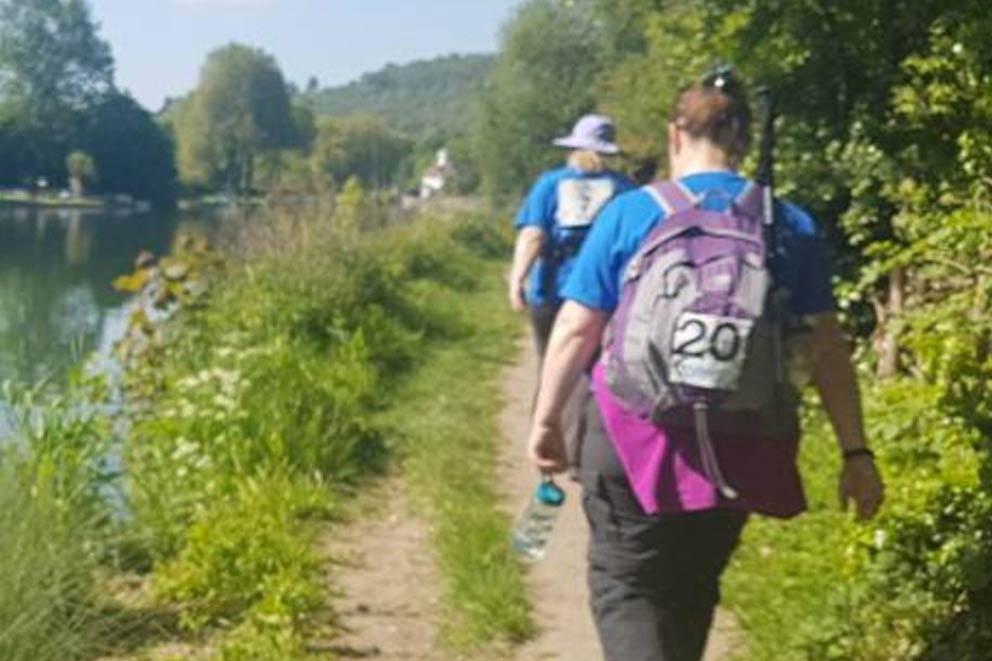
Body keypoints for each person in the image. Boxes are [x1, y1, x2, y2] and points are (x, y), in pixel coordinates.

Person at [526, 70, 885, 661]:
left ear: (675, 134)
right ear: (742, 140)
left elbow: (575, 328)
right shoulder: (788, 224)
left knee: (628, 586)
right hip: (740, 444)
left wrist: (546, 420)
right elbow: (827, 349)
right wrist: (855, 452)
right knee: (692, 588)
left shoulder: (631, 213)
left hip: (629, 442)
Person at [509, 114, 634, 365]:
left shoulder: (550, 184)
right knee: (597, 367)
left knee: (552, 366)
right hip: (604, 292)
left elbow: (533, 235)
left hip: (552, 288)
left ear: (573, 148)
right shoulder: (625, 189)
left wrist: (517, 279)